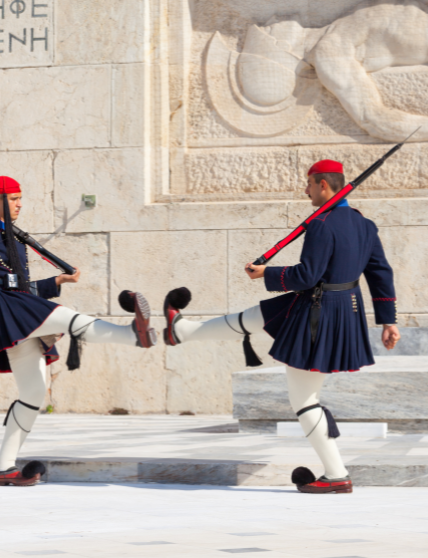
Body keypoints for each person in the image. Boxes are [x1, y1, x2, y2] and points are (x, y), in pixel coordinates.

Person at [162, 159, 401, 494]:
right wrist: (388, 321)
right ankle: (183, 331)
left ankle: (336, 475)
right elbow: (380, 274)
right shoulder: (365, 225)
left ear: (322, 184)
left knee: (305, 399)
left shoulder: (321, 225)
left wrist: (267, 274)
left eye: (308, 184)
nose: (305, 191)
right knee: (257, 316)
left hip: (319, 312)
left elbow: (307, 276)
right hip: (342, 309)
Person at [0, 176, 157, 487]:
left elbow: (19, 284)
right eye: (13, 199)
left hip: (16, 301)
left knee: (34, 392)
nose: (20, 204)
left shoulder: (11, 236)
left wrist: (57, 283)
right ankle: (134, 333)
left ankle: (4, 468)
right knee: (67, 318)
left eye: (20, 198)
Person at [219, 0, 428, 142]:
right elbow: (374, 118)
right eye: (272, 33)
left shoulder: (335, 30)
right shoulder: (330, 54)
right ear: (287, 52)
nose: (276, 21)